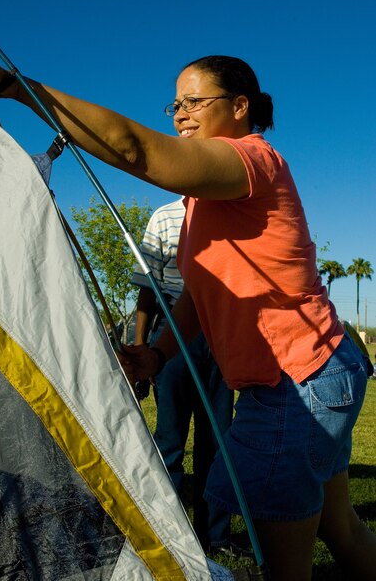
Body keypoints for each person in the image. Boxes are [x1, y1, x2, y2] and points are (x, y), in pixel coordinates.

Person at [0, 55, 375, 580]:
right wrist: (157, 353)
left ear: (240, 107)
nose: (181, 114)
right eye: (176, 105)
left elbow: (136, 149)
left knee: (285, 562)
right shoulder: (204, 200)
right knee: (339, 527)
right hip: (317, 370)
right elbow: (200, 293)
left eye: (195, 102)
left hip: (296, 379)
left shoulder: (253, 161)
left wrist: (15, 87)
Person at [132, 198, 236, 553]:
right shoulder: (164, 217)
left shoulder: (229, 212)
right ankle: (172, 536)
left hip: (220, 336)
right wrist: (143, 348)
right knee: (171, 440)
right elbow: (147, 288)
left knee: (219, 440)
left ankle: (216, 535)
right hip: (173, 336)